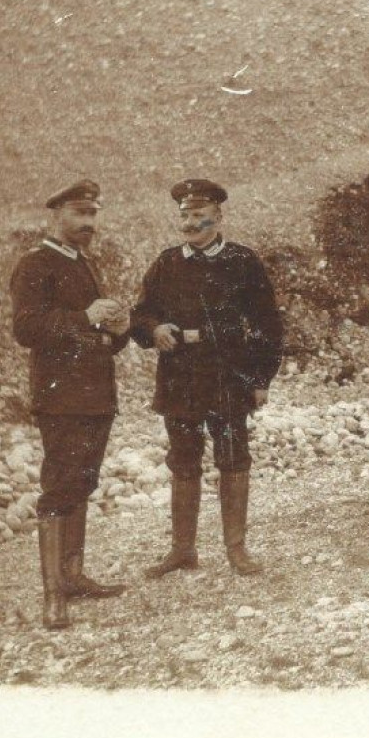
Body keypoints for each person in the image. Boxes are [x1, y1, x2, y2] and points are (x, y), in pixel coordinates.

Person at [132, 179, 284, 578]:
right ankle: (183, 550)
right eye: (185, 215)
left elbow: (268, 324)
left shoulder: (242, 261)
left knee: (233, 457)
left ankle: (237, 550)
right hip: (180, 376)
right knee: (183, 460)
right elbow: (140, 314)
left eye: (199, 214)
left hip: (228, 376)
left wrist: (260, 378)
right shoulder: (167, 263)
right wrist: (155, 330)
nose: (191, 222)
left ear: (218, 217)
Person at [9, 179, 129, 630]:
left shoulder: (85, 264)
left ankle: (74, 575)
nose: (88, 223)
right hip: (60, 397)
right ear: (55, 216)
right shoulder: (35, 264)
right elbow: (26, 330)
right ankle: (53, 594)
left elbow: (97, 341)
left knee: (84, 479)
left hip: (96, 394)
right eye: (79, 213)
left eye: (93, 214)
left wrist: (117, 330)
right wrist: (87, 318)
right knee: (60, 484)